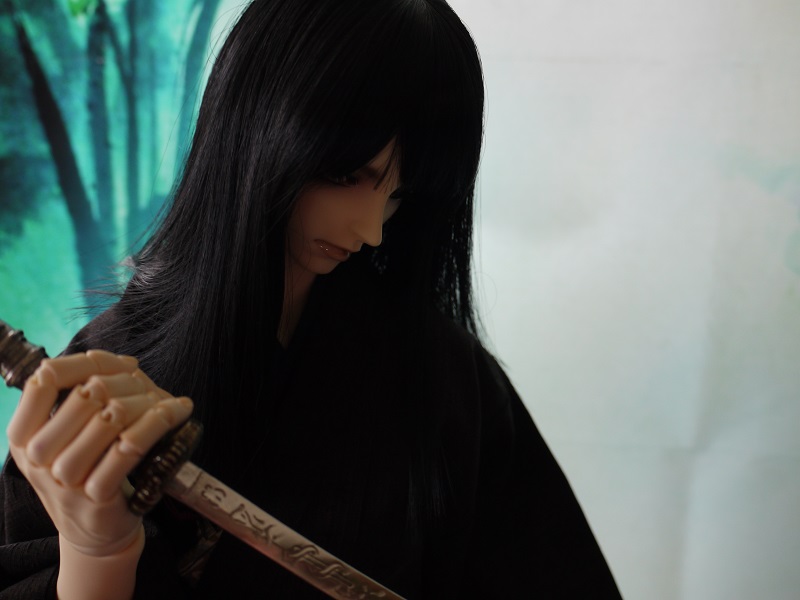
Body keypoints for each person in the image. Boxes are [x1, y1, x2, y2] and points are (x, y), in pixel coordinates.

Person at [0, 0, 622, 598]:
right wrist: (96, 555)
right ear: (256, 133)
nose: (372, 230)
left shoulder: (445, 377)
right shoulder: (109, 381)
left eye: (399, 195)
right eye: (346, 175)